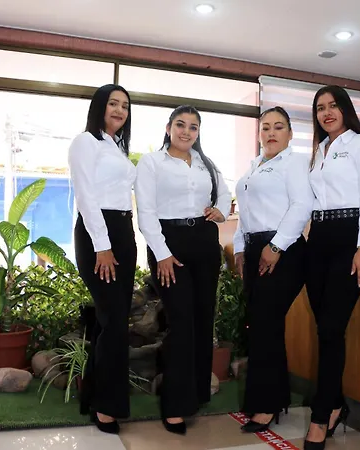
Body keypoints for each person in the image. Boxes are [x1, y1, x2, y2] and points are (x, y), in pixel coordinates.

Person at [135, 105, 231, 435]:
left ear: (198, 132)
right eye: (180, 124)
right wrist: (162, 254)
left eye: (193, 126)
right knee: (180, 322)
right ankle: (174, 405)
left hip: (204, 240)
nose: (186, 131)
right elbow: (146, 213)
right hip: (168, 242)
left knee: (203, 319)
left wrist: (220, 211)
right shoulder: (151, 163)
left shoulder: (207, 164)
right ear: (168, 128)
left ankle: (197, 395)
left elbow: (224, 193)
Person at [304, 85, 360, 449]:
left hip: (350, 237)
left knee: (332, 328)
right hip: (318, 240)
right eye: (320, 108)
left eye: (333, 105)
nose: (327, 112)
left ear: (346, 109)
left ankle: (321, 417)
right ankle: (335, 403)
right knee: (325, 328)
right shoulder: (318, 150)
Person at [233, 106, 314, 433]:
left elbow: (302, 206)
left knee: (265, 325)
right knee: (262, 326)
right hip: (255, 249)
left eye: (278, 127)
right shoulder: (254, 165)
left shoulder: (294, 162)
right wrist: (240, 247)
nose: (270, 132)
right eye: (265, 127)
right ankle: (274, 398)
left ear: (290, 134)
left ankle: (266, 405)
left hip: (285, 250)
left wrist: (276, 246)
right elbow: (245, 213)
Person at [68, 84, 137, 435]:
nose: (120, 110)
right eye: (113, 103)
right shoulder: (86, 142)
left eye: (124, 105)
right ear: (100, 106)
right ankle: (107, 408)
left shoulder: (117, 148)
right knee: (113, 322)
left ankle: (92, 398)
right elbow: (85, 196)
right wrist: (102, 246)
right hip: (100, 234)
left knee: (108, 320)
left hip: (124, 232)